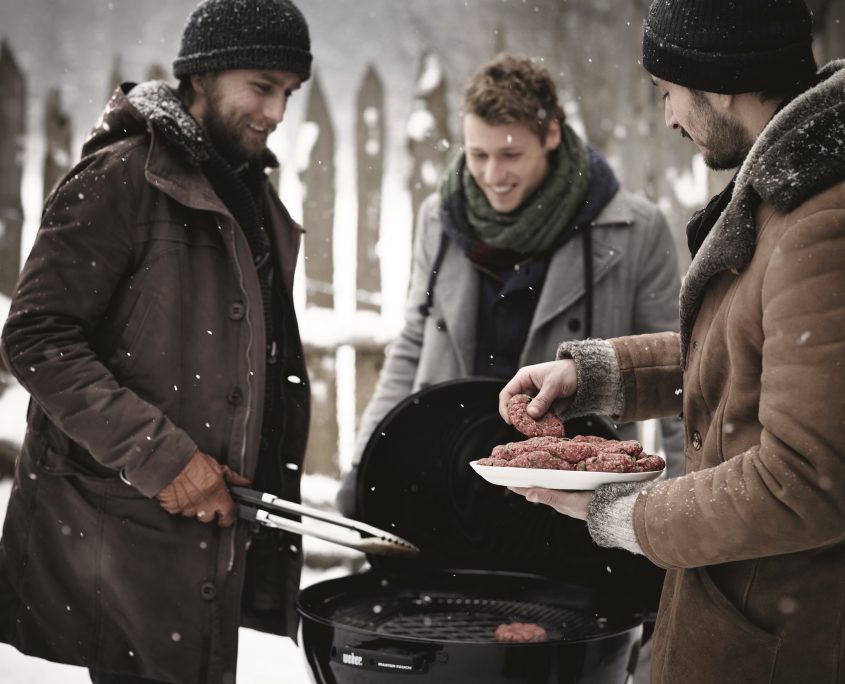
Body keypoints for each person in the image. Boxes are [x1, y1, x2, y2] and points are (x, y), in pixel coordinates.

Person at [500, 1, 845, 682]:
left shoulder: (817, 221)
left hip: (778, 645)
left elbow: (806, 482)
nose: (666, 119)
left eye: (667, 93)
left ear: (716, 82)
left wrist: (625, 514)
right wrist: (602, 377)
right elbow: (758, 354)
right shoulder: (790, 191)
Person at [0, 0, 313, 682]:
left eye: (287, 93)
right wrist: (162, 457)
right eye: (261, 86)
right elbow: (37, 337)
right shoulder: (120, 179)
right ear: (200, 76)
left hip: (209, 528)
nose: (276, 113)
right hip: (115, 529)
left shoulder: (253, 199)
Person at [338, 54, 684, 514]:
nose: (493, 176)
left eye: (511, 155)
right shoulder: (438, 221)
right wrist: (363, 468)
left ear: (552, 134)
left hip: (574, 502)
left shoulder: (635, 229)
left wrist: (686, 496)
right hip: (445, 483)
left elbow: (677, 373)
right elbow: (411, 349)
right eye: (478, 155)